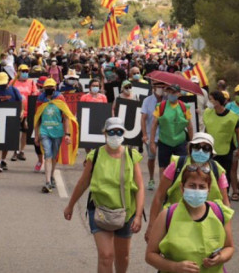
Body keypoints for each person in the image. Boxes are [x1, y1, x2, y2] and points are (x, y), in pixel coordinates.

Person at [64, 117, 145, 273]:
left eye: (119, 131)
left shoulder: (131, 155)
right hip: (100, 210)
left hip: (126, 212)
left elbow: (140, 187)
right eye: (111, 131)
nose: (115, 135)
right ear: (105, 133)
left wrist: (139, 215)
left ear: (124, 133)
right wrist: (70, 205)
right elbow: (82, 183)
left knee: (123, 256)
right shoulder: (94, 156)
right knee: (106, 255)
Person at [145, 163, 235, 273]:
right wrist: (174, 267)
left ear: (209, 190)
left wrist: (220, 257)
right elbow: (150, 255)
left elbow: (229, 248)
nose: (197, 190)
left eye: (202, 187)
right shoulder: (167, 215)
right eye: (192, 186)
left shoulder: (220, 213)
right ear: (182, 188)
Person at [145, 132, 231, 242]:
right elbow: (159, 196)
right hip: (175, 223)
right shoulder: (176, 165)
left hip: (207, 227)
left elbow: (225, 203)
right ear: (190, 149)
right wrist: (151, 226)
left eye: (206, 148)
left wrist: (226, 231)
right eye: (197, 146)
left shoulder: (218, 170)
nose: (201, 151)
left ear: (211, 153)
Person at [33, 78, 74, 193]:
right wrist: (36, 135)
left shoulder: (60, 98)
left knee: (54, 156)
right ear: (44, 88)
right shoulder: (40, 100)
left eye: (52, 87)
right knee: (48, 155)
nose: (50, 89)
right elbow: (37, 118)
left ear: (55, 88)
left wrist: (67, 134)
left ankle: (51, 176)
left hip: (57, 131)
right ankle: (47, 182)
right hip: (44, 131)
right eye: (47, 87)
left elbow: (65, 117)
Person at [203, 90, 239, 193]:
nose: (209, 102)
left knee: (224, 175)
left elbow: (238, 132)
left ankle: (224, 195)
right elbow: (206, 129)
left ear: (217, 101)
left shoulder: (232, 117)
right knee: (209, 174)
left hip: (226, 150)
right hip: (210, 150)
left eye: (211, 100)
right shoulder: (207, 113)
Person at [150, 84, 194, 176]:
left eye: (173, 92)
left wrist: (191, 142)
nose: (170, 94)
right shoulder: (161, 106)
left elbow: (189, 126)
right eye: (169, 92)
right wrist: (152, 142)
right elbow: (154, 124)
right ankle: (163, 189)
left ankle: (178, 187)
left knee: (181, 166)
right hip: (164, 141)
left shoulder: (184, 107)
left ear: (179, 94)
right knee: (163, 167)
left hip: (180, 142)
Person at [0, 72, 23, 172]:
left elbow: (20, 101)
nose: (2, 86)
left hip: (10, 118)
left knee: (7, 140)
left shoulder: (14, 90)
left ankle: (3, 160)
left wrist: (22, 111)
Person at [140, 82, 167, 191]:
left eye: (163, 87)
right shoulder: (147, 100)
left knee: (164, 160)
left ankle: (164, 182)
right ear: (154, 88)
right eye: (159, 87)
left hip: (165, 135)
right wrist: (144, 134)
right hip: (151, 135)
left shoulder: (167, 100)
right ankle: (151, 178)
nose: (161, 89)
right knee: (151, 158)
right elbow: (143, 118)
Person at [11, 65, 38, 162]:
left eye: (27, 71)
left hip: (27, 111)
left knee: (25, 131)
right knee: (15, 132)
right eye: (23, 71)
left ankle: (22, 151)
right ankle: (15, 151)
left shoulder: (31, 82)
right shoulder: (13, 82)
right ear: (18, 71)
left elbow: (35, 93)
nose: (25, 72)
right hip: (16, 111)